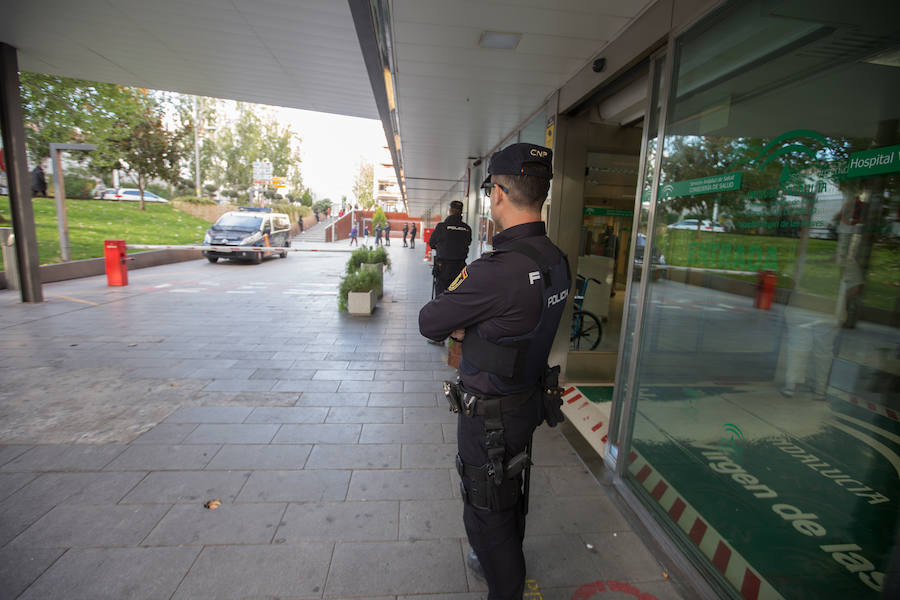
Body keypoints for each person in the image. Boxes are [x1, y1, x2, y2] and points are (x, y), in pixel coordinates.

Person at [418, 143, 570, 599]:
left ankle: (504, 583)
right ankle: (498, 561)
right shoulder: (555, 260)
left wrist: (470, 329)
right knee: (511, 489)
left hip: (490, 417)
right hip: (526, 402)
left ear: (499, 193)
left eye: (490, 190)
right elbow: (525, 324)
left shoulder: (497, 271)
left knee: (486, 511)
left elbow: (430, 321)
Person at [430, 199, 472, 296]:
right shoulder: (467, 228)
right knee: (456, 295)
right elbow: (468, 243)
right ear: (461, 212)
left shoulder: (441, 227)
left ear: (450, 211)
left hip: (443, 267)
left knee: (441, 296)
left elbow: (432, 243)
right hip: (460, 268)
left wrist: (442, 247)